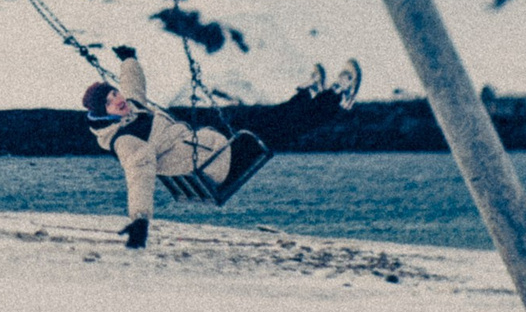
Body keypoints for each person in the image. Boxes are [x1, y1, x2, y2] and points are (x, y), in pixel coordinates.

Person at [85, 47, 359, 247]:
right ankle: (336, 99)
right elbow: (138, 175)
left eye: (114, 93)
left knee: (267, 120)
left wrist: (129, 60)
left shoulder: (132, 110)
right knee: (279, 128)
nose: (117, 100)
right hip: (218, 167)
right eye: (110, 102)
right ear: (104, 114)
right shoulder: (125, 142)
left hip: (214, 151)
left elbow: (133, 87)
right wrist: (140, 219)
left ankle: (308, 95)